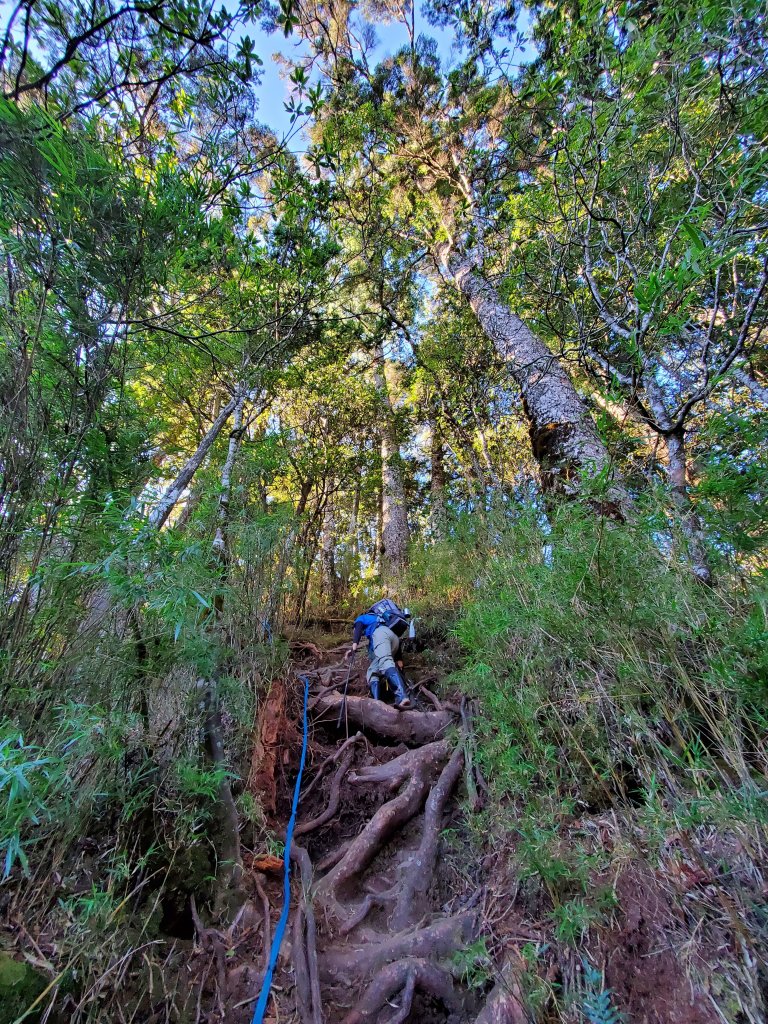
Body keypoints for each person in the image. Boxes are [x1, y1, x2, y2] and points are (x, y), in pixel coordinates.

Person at [347, 603, 412, 709]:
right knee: (372, 671)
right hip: (395, 640)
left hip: (381, 634)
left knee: (385, 661)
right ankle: (376, 702)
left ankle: (402, 696)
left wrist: (354, 646)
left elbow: (358, 626)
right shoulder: (384, 621)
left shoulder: (364, 618)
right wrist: (399, 660)